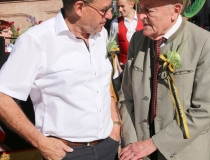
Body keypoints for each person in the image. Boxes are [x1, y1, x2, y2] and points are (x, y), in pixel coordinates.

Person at [0, 0, 121, 160]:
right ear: (79, 7)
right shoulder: (37, 40)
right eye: (104, 9)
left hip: (108, 146)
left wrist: (115, 123)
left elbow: (103, 82)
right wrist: (41, 142)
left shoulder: (101, 34)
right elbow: (3, 97)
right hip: (67, 153)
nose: (110, 15)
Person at [119, 0, 210, 160]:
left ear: (175, 11)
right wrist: (131, 144)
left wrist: (154, 143)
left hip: (183, 152)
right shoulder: (137, 40)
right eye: (140, 8)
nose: (141, 15)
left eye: (149, 10)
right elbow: (126, 98)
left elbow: (203, 110)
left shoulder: (203, 42)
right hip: (139, 152)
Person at [110, 0, 143, 69]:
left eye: (122, 6)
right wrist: (119, 69)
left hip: (142, 65)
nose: (119, 9)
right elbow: (113, 50)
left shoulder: (143, 20)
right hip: (123, 66)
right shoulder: (115, 23)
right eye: (118, 6)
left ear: (131, 4)